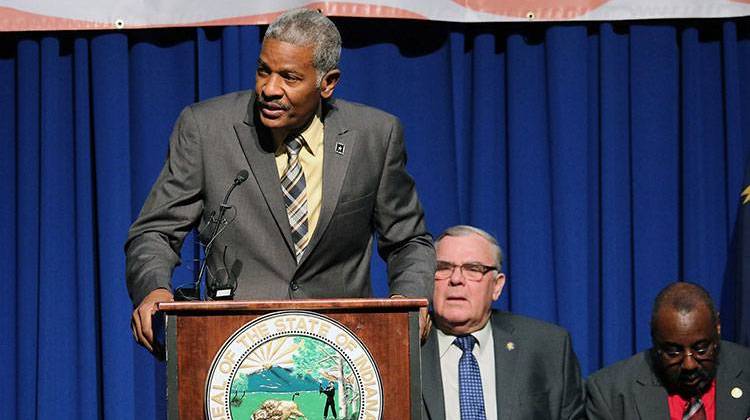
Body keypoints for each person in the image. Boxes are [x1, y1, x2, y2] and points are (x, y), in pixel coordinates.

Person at [126, 8, 435, 354]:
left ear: (328, 83)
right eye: (263, 71)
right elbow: (155, 232)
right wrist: (154, 290)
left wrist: (409, 300)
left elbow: (409, 241)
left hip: (340, 348)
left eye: (289, 77)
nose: (269, 89)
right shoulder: (206, 129)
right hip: (233, 347)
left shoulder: (375, 136)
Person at [421, 225, 585, 419]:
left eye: (473, 269)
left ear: (497, 286)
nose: (456, 279)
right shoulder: (404, 347)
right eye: (443, 268)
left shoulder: (548, 347)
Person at [586, 281, 750, 419]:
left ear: (718, 328)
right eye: (673, 352)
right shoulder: (610, 394)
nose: (689, 364)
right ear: (654, 339)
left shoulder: (746, 368)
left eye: (700, 349)